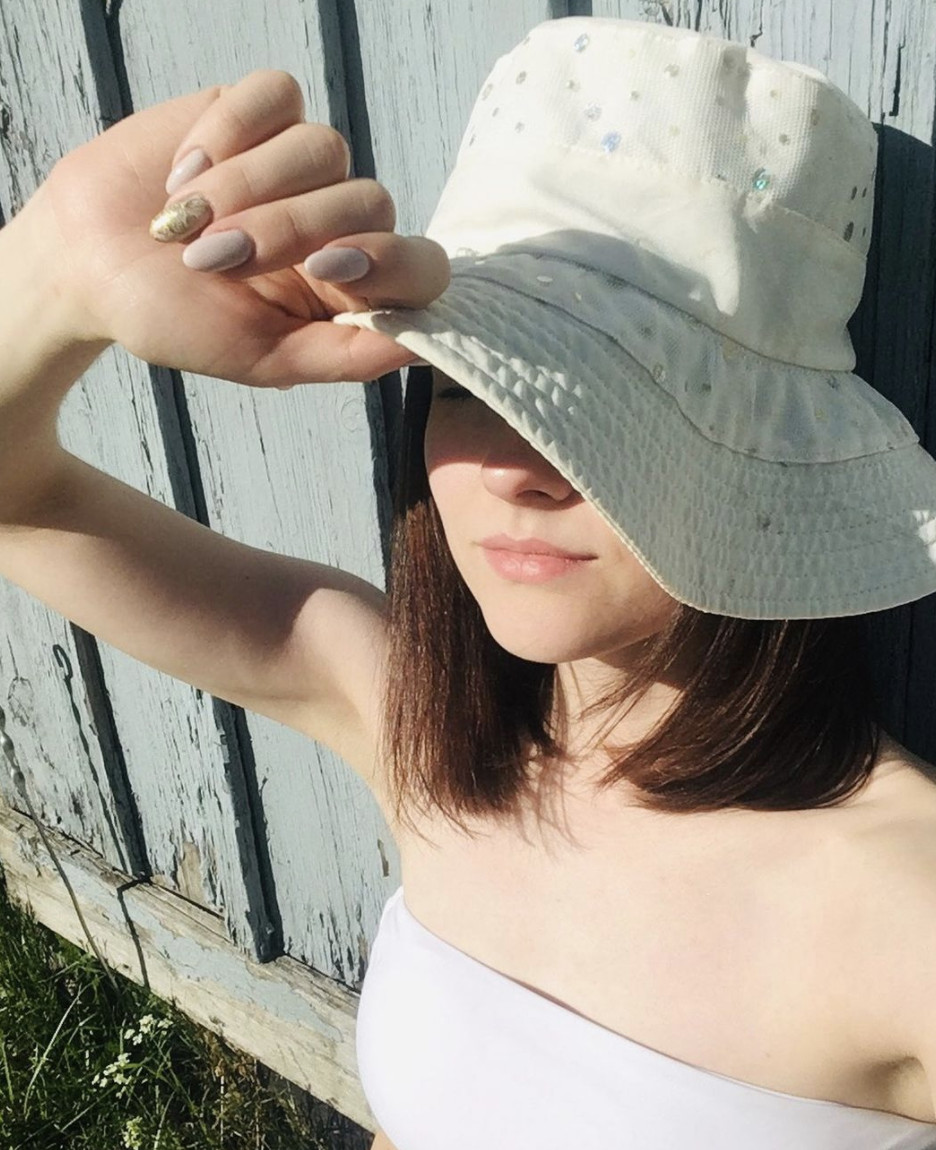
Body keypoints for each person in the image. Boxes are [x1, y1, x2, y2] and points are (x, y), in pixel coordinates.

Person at [1, 14, 935, 1150]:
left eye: (614, 412)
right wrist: (60, 262)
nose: (508, 469)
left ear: (770, 457)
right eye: (467, 387)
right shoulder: (426, 731)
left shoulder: (902, 907)